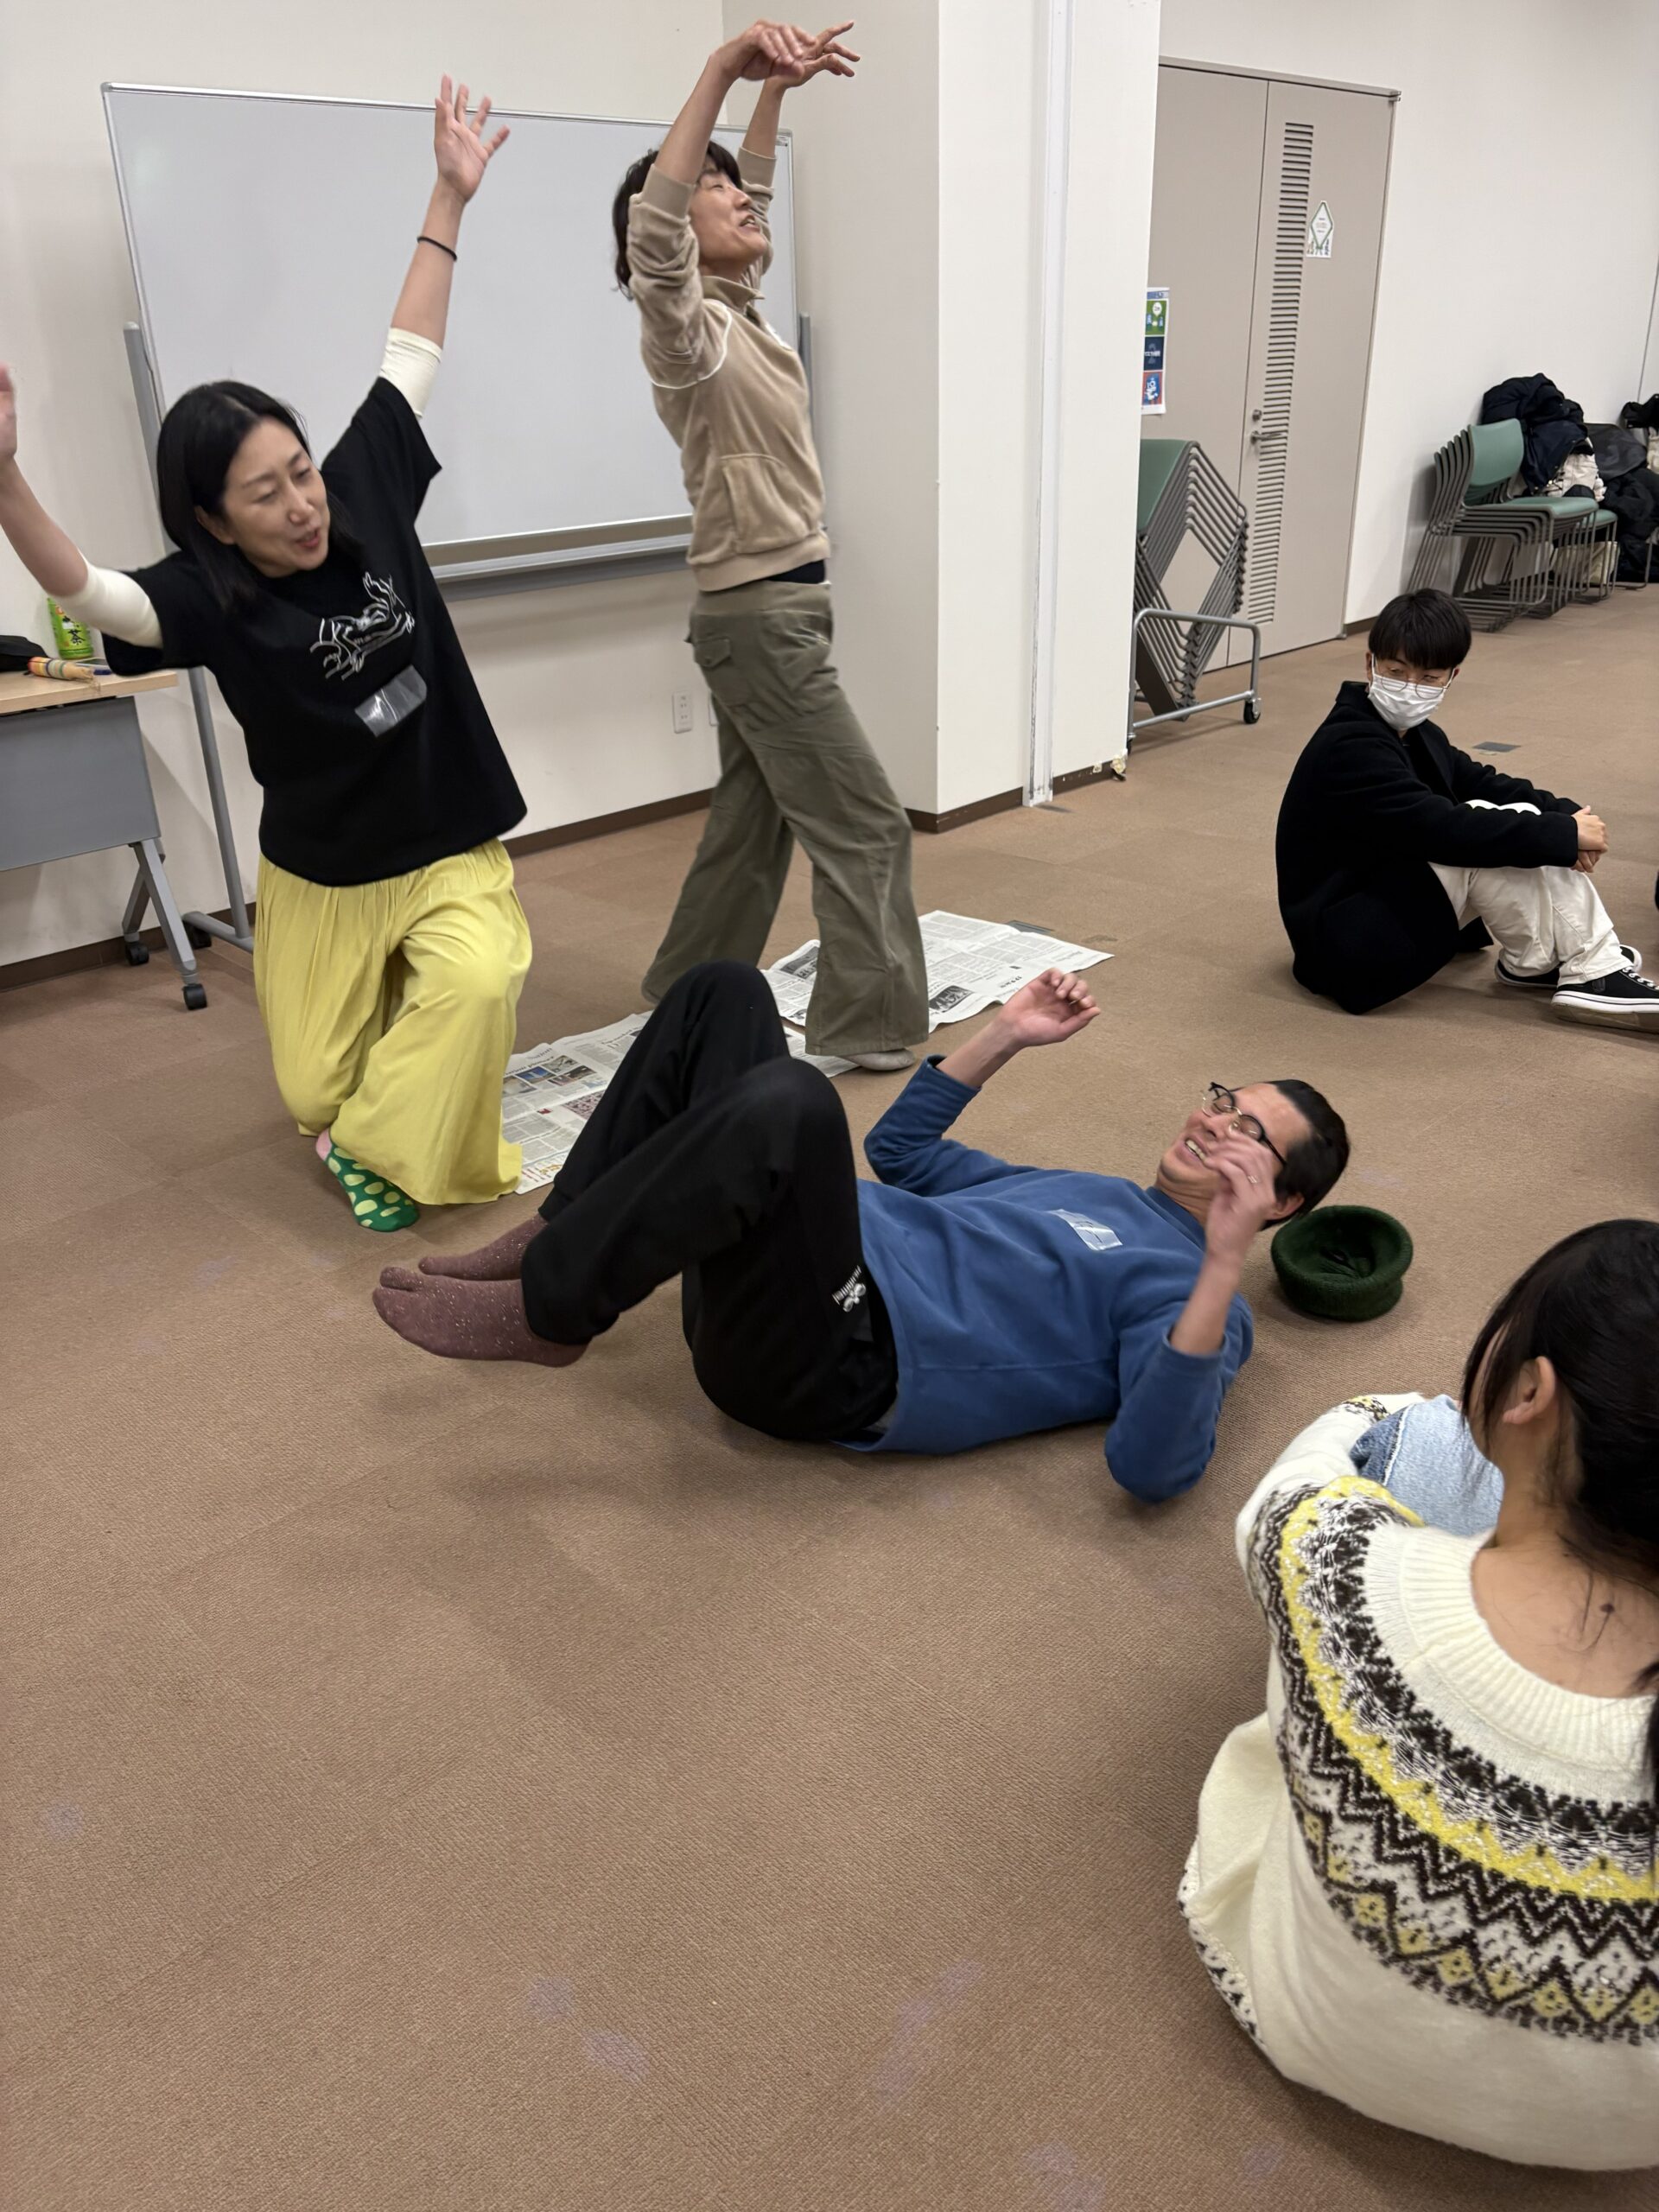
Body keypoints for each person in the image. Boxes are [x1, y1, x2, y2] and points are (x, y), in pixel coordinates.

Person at [0, 80, 529, 1232]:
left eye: (300, 472)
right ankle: (364, 1093)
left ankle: (391, 1133)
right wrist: (4, 479)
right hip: (322, 873)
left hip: (444, 836)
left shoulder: (362, 489)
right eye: (265, 494)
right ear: (213, 521)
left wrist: (448, 195)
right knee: (310, 1093)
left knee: (480, 979)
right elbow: (87, 590)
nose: (302, 505)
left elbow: (410, 350)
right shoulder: (208, 595)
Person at [371, 960, 1350, 1499]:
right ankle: (552, 1239)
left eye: (1250, 1134)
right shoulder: (1093, 1191)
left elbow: (1152, 1467)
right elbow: (903, 1153)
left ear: (1283, 1201)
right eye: (1224, 1099)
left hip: (838, 1363)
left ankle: (553, 1312)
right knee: (725, 993)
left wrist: (1224, 1263)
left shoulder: (1201, 1300)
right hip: (785, 1266)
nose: (1215, 1122)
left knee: (796, 1100)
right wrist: (1006, 1033)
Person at [1182, 1219, 1659, 2168]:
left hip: (1302, 2023)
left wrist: (1392, 1406)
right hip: (1626, 2145)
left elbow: (1309, 1471)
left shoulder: (1341, 1564)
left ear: (1530, 1392)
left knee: (1417, 1438)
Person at [612, 20, 929, 1072]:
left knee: (753, 823)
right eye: (712, 188)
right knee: (868, 823)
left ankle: (683, 992)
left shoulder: (738, 315)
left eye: (734, 183)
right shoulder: (685, 334)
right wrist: (719, 66)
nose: (740, 195)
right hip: (760, 622)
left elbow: (748, 194)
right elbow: (660, 237)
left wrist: (776, 96)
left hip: (779, 611)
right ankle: (868, 1027)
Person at [1275, 587, 1659, 1028]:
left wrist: (1570, 815)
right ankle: (1594, 969)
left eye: (1428, 677)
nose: (1409, 688)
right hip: (1343, 945)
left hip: (1373, 895)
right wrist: (1564, 835)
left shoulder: (1415, 734)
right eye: (1396, 671)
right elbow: (1438, 828)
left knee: (1510, 816)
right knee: (1484, 828)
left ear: (1451, 677)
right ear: (1370, 664)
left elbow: (1481, 779)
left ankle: (1541, 961)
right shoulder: (1350, 745)